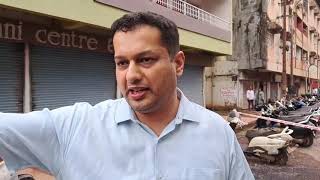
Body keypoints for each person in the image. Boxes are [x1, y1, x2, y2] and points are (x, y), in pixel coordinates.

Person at [0, 12, 254, 179]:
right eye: (122, 63)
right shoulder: (74, 126)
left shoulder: (217, 133)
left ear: (177, 63)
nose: (131, 75)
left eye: (145, 60)